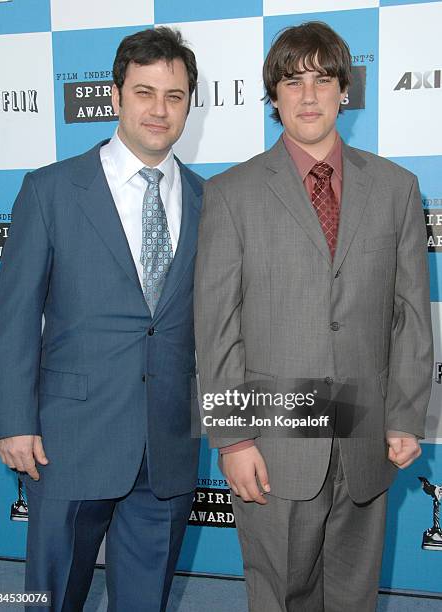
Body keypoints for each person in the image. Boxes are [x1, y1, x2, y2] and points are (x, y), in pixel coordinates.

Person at [194, 21, 432, 612]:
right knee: (280, 596)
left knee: (354, 596)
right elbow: (217, 326)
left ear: (344, 91)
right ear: (274, 94)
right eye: (293, 80)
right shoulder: (232, 194)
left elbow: (409, 316)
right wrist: (232, 437)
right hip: (274, 441)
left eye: (324, 79)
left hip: (365, 433)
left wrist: (404, 416)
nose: (308, 95)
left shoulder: (398, 189)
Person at [0, 26, 203, 612]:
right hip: (67, 444)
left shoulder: (213, 202)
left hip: (167, 448)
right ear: (114, 96)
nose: (159, 110)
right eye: (144, 92)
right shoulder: (50, 190)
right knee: (45, 599)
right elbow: (14, 319)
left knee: (145, 602)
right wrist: (11, 422)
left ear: (189, 105)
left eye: (175, 95)